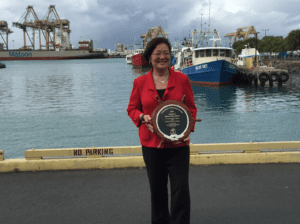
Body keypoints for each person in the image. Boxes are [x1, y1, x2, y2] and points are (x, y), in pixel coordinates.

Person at [127, 37, 197, 224]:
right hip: (151, 145)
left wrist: (188, 128)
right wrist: (142, 118)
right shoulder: (140, 83)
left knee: (181, 189)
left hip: (178, 145)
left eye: (166, 53)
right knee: (157, 191)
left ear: (170, 56)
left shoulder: (182, 79)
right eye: (157, 53)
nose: (162, 57)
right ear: (149, 57)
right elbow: (132, 109)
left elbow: (191, 108)